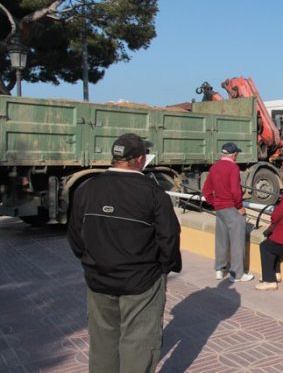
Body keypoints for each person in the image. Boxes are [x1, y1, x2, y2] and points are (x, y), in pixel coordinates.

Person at [68, 133, 182, 372]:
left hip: (98, 279)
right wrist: (164, 267)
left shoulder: (88, 188)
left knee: (103, 343)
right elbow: (169, 237)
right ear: (140, 159)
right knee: (139, 343)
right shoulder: (153, 193)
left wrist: (90, 261)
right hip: (142, 281)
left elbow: (75, 234)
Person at [202, 142, 255, 283]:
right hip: (231, 207)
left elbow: (206, 190)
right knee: (237, 241)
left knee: (221, 239)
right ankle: (237, 274)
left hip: (219, 208)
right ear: (233, 154)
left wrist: (214, 202)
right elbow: (236, 191)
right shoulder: (233, 167)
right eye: (236, 153)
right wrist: (239, 207)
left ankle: (220, 269)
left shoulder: (214, 167)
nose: (237, 156)